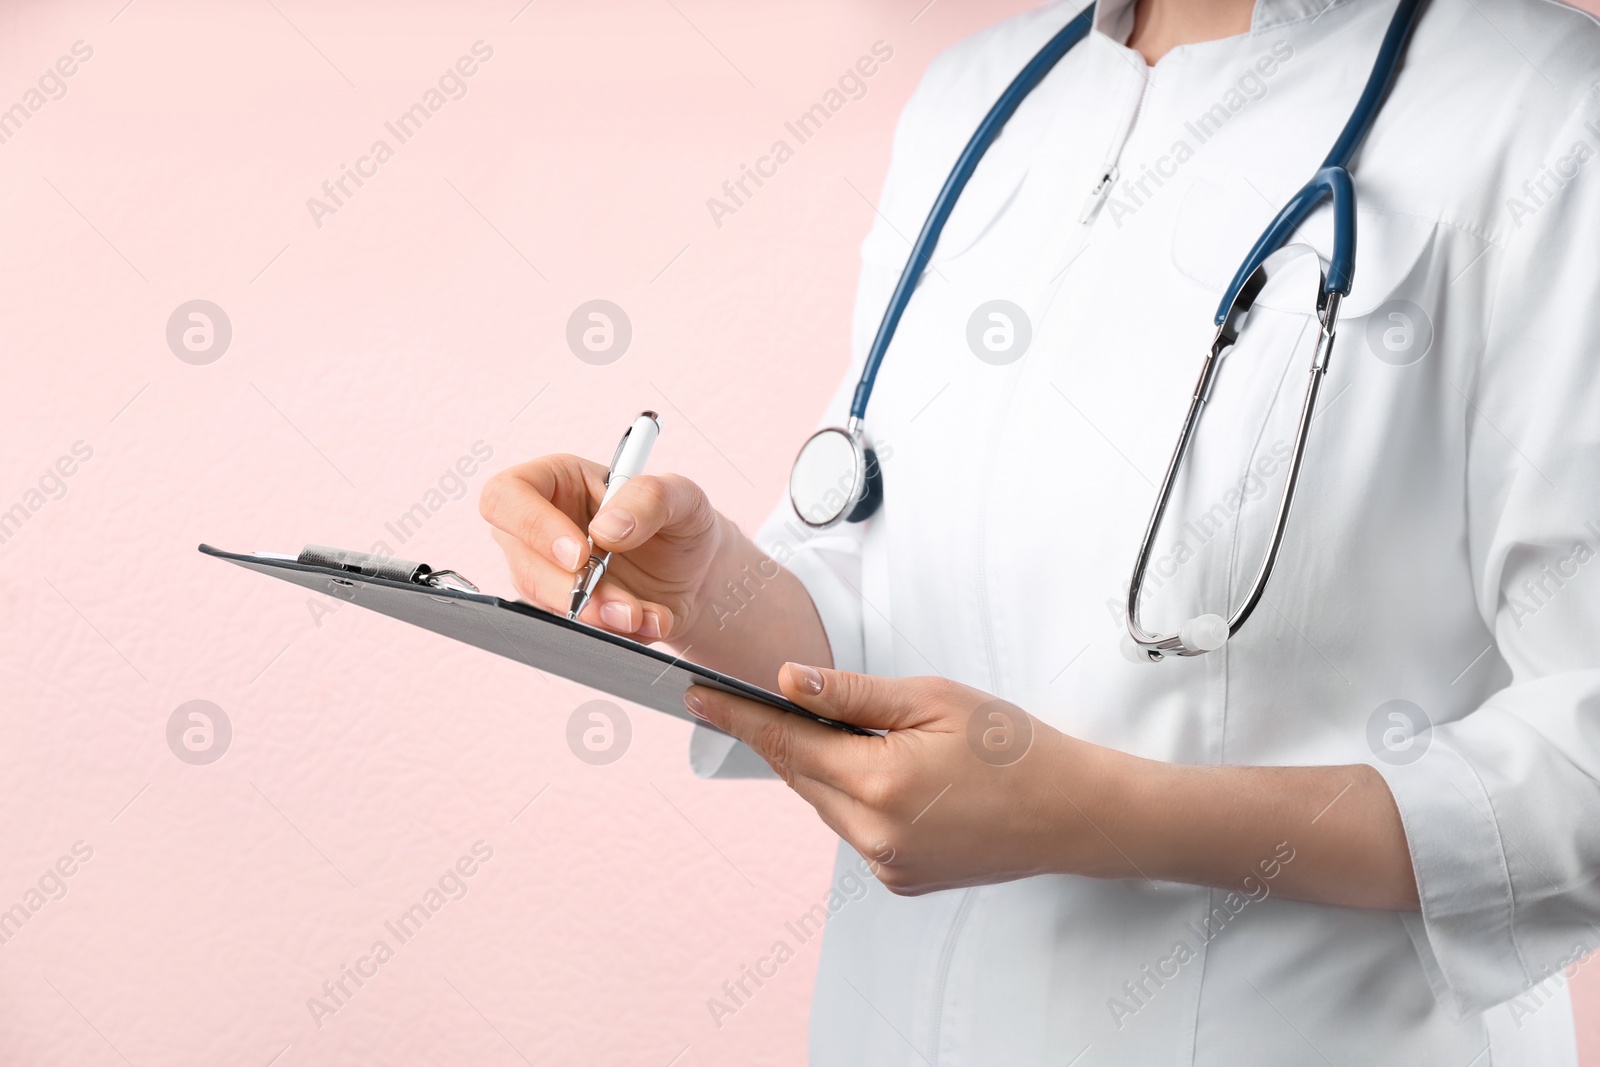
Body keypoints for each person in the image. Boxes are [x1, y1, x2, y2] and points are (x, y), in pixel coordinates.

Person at [480, 0, 1600, 1061]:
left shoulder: (1541, 106)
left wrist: (1100, 815)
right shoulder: (979, 96)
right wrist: (703, 579)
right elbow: (887, 617)